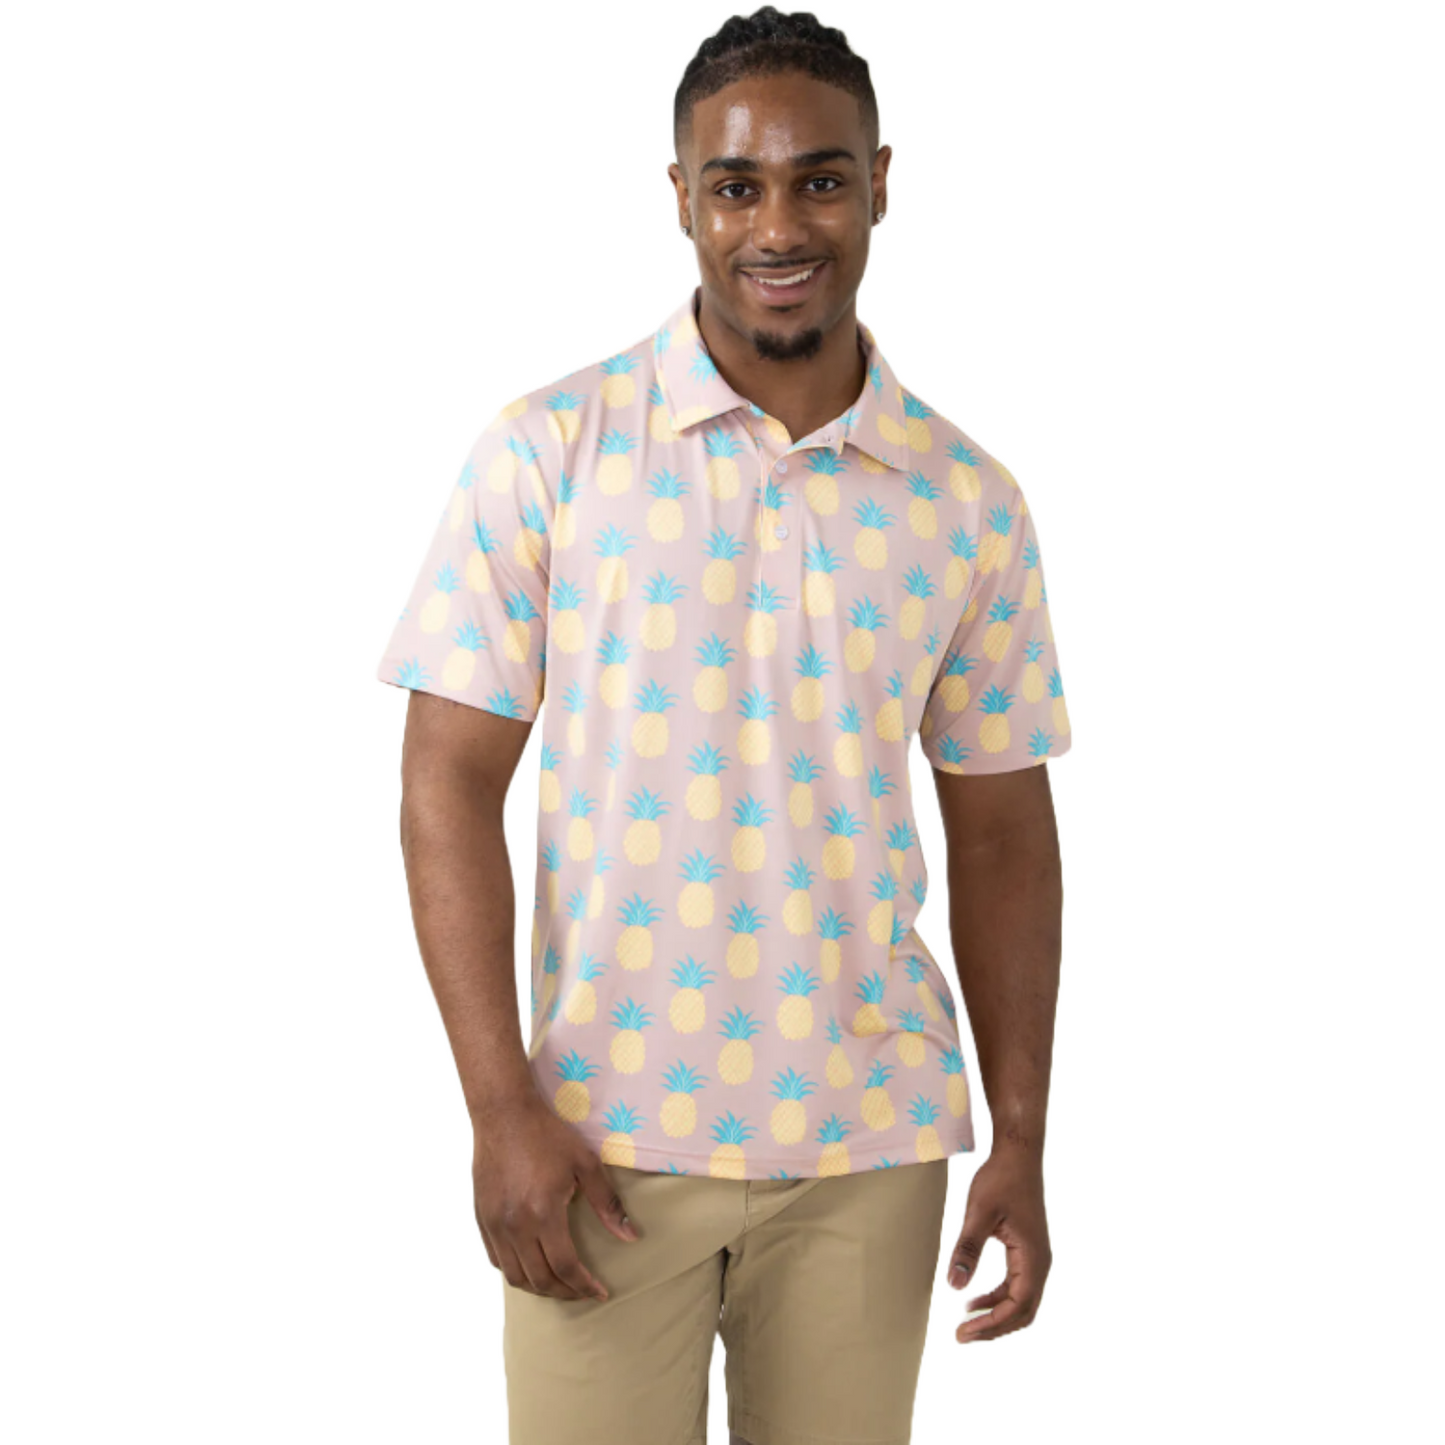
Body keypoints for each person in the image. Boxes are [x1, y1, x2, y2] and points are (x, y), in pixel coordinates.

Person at [375, 8, 1073, 1442]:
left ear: (880, 184)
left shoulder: (968, 500)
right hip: (597, 1149)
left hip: (870, 1144)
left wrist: (1021, 1138)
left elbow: (1005, 832)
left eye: (820, 180)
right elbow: (446, 782)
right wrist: (499, 1109)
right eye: (737, 185)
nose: (779, 225)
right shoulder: (551, 453)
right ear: (682, 198)